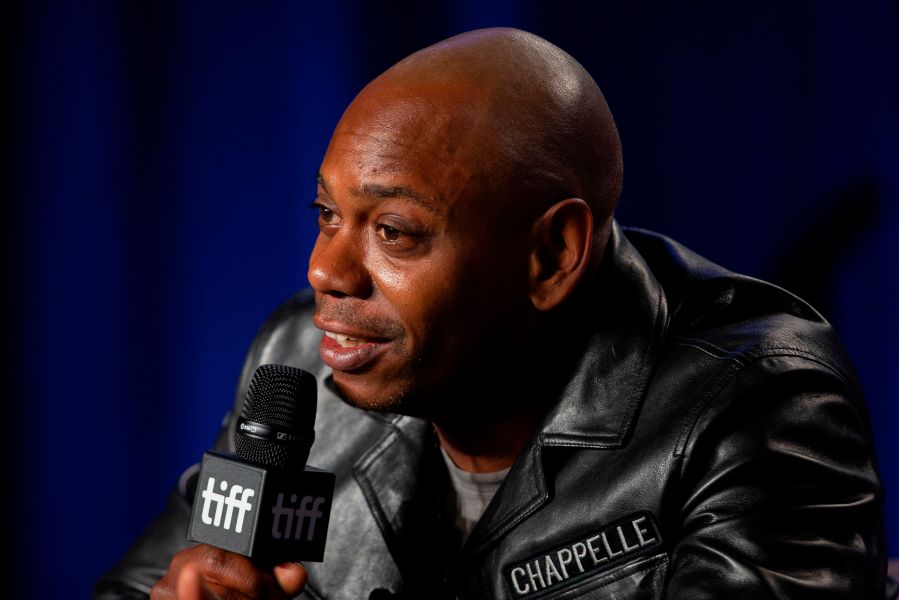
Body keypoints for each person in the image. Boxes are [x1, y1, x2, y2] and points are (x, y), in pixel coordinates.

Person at [95, 28, 890, 599]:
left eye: (393, 232)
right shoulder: (307, 353)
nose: (325, 271)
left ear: (549, 257)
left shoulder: (755, 399)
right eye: (325, 214)